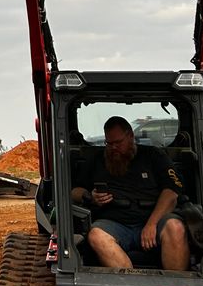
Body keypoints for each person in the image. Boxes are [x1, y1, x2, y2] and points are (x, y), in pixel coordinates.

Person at [72, 116, 189, 271]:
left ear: (131, 136)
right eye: (109, 143)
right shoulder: (97, 160)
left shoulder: (154, 156)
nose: (113, 148)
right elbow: (74, 191)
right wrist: (90, 197)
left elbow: (172, 193)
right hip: (114, 223)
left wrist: (152, 224)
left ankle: (175, 284)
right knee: (96, 235)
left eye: (118, 143)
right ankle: (131, 280)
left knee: (176, 227)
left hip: (153, 218)